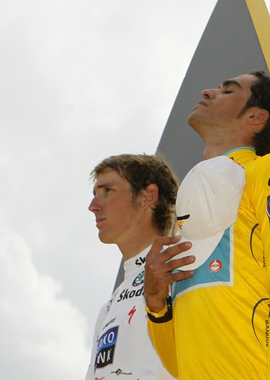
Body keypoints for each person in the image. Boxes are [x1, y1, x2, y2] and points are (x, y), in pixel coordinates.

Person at [143, 70, 270, 379]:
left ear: (255, 117)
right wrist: (157, 307)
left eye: (227, 91)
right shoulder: (193, 202)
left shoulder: (269, 169)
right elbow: (179, 365)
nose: (207, 92)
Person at [85, 154, 178, 380]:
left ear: (147, 197)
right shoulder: (108, 309)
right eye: (95, 194)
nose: (93, 206)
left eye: (107, 191)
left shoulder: (185, 269)